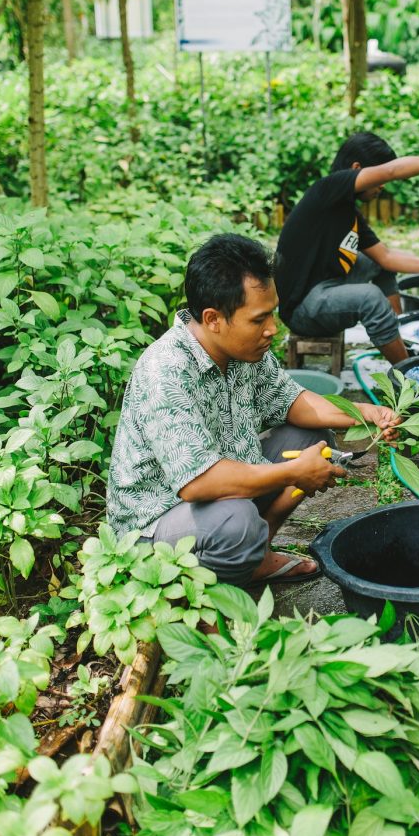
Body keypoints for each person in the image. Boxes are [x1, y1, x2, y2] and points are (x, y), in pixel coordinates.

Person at [106, 233, 397, 587]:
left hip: (219, 499)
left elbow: (295, 402)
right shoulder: (165, 370)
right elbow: (198, 483)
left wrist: (366, 414)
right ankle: (198, 593)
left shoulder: (244, 351)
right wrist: (294, 473)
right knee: (238, 521)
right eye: (259, 319)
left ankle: (257, 552)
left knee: (312, 439)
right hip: (154, 525)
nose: (273, 329)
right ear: (213, 318)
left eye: (272, 314)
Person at [275, 132, 419, 364]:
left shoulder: (348, 213)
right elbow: (392, 171)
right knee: (370, 298)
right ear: (358, 169)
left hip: (326, 288)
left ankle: (398, 332)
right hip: (302, 309)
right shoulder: (326, 189)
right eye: (378, 177)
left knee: (376, 265)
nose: (383, 186)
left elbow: (386, 257)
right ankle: (406, 375)